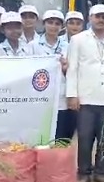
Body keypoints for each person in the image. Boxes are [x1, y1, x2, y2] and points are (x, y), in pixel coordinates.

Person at [66, 4, 104, 182]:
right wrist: (72, 95)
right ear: (90, 18)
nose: (101, 20)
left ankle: (101, 172)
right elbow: (72, 69)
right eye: (98, 16)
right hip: (86, 97)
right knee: (84, 137)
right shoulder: (78, 40)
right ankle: (83, 172)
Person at [30, 10, 72, 141]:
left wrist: (65, 68)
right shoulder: (33, 45)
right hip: (40, 97)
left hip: (61, 97)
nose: (53, 26)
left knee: (61, 136)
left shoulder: (68, 46)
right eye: (50, 22)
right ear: (44, 24)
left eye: (57, 23)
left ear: (61, 26)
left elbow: (73, 72)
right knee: (42, 135)